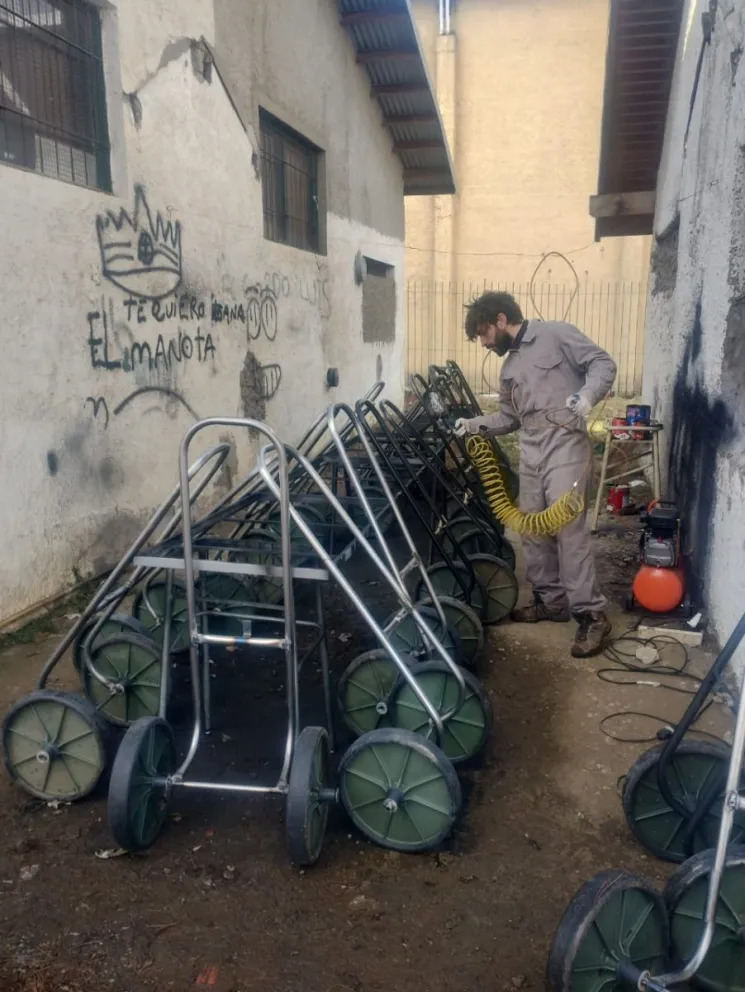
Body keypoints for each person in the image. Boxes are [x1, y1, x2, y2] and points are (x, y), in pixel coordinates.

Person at [454, 291, 617, 658]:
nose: (483, 343)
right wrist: (474, 424)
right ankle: (551, 601)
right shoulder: (508, 368)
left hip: (565, 442)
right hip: (531, 447)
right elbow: (508, 419)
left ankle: (591, 614)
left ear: (500, 319)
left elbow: (602, 364)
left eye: (483, 333)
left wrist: (588, 396)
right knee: (530, 525)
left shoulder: (556, 333)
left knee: (567, 529)